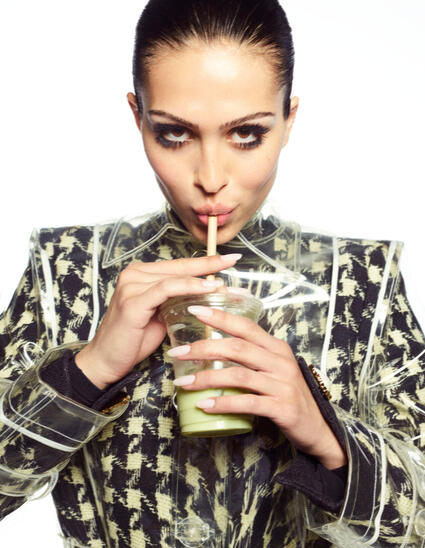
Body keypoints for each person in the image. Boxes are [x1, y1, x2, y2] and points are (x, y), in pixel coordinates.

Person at [1, 1, 425, 546]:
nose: (210, 177)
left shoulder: (360, 281)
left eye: (246, 134)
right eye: (174, 134)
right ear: (138, 117)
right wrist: (87, 372)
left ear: (288, 120)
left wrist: (330, 440)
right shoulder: (69, 270)